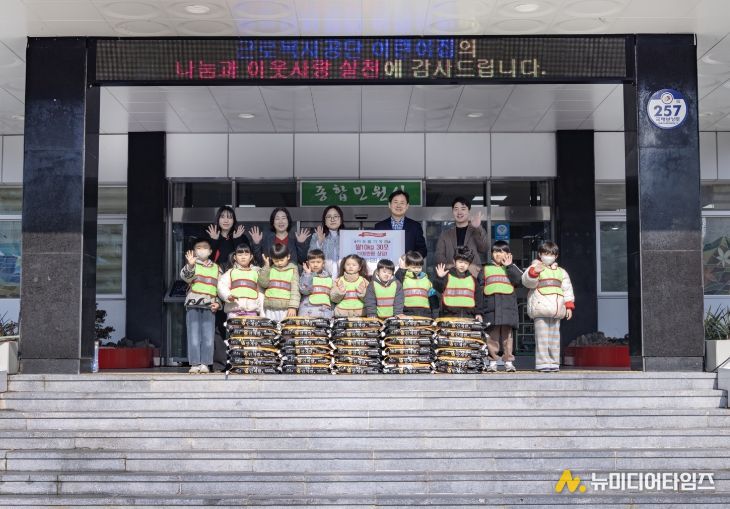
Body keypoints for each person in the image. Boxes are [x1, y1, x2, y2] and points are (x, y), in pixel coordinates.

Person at [521, 241, 575, 373]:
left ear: (556, 256)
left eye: (551, 254)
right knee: (542, 339)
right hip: (541, 309)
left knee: (554, 339)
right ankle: (543, 363)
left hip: (557, 310)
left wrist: (568, 306)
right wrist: (534, 272)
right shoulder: (535, 267)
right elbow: (527, 282)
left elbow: (567, 289)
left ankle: (554, 362)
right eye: (545, 253)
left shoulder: (561, 272)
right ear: (540, 254)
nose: (548, 256)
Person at [478, 241, 523, 373]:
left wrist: (510, 266)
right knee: (492, 337)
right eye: (496, 251)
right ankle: (492, 362)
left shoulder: (512, 267)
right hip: (490, 309)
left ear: (508, 254)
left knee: (507, 337)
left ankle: (508, 362)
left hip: (508, 309)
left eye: (502, 251)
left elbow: (519, 281)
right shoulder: (485, 269)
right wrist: (479, 310)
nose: (499, 254)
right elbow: (479, 290)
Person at [179, 237, 221, 374]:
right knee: (193, 336)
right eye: (198, 248)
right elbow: (185, 277)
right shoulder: (192, 265)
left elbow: (221, 288)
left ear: (210, 251)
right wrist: (190, 265)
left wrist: (218, 303)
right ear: (194, 251)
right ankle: (194, 363)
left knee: (208, 337)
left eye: (205, 247)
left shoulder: (217, 268)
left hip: (209, 305)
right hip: (193, 305)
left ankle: (205, 364)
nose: (202, 250)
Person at [435, 197, 488, 277]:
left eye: (463, 209)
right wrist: (454, 267)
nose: (459, 212)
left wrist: (478, 227)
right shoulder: (445, 234)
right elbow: (439, 256)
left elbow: (484, 248)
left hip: (473, 275)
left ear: (469, 211)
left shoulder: (475, 230)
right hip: (451, 277)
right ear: (452, 212)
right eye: (456, 209)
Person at [433, 246, 483, 320]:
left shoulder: (473, 280)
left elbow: (478, 298)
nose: (462, 265)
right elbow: (438, 288)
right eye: (460, 262)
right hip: (449, 316)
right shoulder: (447, 276)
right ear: (454, 262)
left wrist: (478, 313)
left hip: (468, 317)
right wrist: (440, 277)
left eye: (466, 263)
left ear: (469, 265)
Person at [374, 190, 427, 258]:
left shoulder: (415, 226)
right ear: (389, 205)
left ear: (407, 206)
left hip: (408, 264)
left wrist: (409, 259)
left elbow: (423, 250)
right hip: (386, 264)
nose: (398, 206)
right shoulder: (379, 227)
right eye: (395, 202)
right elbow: (375, 249)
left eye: (402, 203)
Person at [217, 243, 263, 318]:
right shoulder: (230, 272)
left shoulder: (257, 272)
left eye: (246, 255)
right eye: (240, 255)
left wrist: (262, 313)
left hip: (252, 311)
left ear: (251, 257)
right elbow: (221, 285)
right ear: (235, 257)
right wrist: (228, 296)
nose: (243, 257)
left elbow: (261, 293)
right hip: (234, 311)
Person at [258, 243, 300, 322]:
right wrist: (266, 266)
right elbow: (263, 284)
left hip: (286, 309)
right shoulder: (270, 269)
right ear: (271, 259)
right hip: (270, 308)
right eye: (276, 261)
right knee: (270, 328)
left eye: (282, 260)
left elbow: (295, 290)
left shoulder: (293, 270)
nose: (279, 263)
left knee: (285, 329)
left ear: (288, 256)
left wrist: (293, 307)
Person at [205, 205, 248, 271]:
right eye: (222, 217)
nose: (226, 221)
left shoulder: (242, 237)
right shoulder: (210, 236)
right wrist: (214, 240)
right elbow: (206, 260)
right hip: (216, 274)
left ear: (234, 220)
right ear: (218, 219)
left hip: (236, 275)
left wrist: (237, 240)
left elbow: (245, 260)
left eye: (230, 217)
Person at [395, 251, 436, 317]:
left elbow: (433, 299)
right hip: (408, 314)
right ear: (407, 266)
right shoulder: (403, 278)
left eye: (419, 267)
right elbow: (397, 278)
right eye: (413, 267)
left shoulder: (426, 280)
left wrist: (435, 316)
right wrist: (402, 269)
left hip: (425, 314)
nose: (417, 270)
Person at [309, 205, 345, 278]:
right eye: (329, 217)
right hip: (323, 278)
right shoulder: (317, 235)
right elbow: (310, 256)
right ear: (324, 221)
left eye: (335, 216)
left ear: (341, 220)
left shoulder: (347, 236)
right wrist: (319, 242)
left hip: (344, 279)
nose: (332, 219)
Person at [298, 249, 334, 319]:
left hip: (324, 313)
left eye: (318, 262)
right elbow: (304, 291)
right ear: (308, 263)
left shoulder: (329, 278)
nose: (315, 265)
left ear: (323, 263)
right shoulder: (305, 275)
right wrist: (308, 274)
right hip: (307, 312)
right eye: (312, 262)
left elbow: (331, 298)